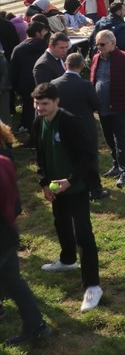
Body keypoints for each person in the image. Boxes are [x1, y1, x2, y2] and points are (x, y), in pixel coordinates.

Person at [30, 83, 104, 312]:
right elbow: (40, 156)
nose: (40, 108)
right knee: (60, 223)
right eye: (37, 104)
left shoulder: (70, 122)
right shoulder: (37, 122)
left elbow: (88, 156)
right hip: (55, 187)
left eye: (45, 104)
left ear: (56, 102)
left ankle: (93, 286)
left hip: (77, 187)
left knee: (83, 233)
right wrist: (44, 183)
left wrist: (70, 180)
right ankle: (68, 260)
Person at [1, 134, 53, 344]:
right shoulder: (5, 161)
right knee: (15, 283)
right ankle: (37, 326)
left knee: (14, 283)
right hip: (7, 233)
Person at [50, 53, 106, 201]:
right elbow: (96, 105)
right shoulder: (85, 85)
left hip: (62, 127)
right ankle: (95, 189)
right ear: (82, 67)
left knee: (69, 157)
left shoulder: (54, 84)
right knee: (89, 157)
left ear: (65, 65)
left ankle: (72, 186)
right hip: (84, 127)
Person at [91, 29, 125, 189]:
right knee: (108, 137)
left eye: (102, 44)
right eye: (97, 44)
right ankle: (116, 165)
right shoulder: (96, 58)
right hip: (102, 107)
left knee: (120, 138)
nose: (99, 47)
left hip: (120, 106)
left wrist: (124, 94)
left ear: (113, 44)